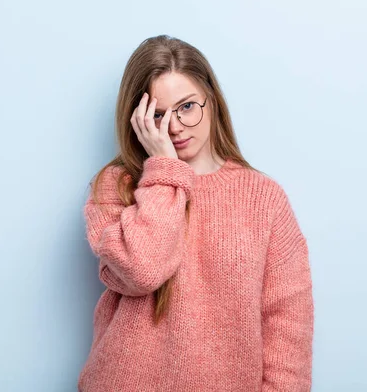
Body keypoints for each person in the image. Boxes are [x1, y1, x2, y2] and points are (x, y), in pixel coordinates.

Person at [77, 34, 313, 392]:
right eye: (158, 114)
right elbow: (142, 270)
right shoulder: (117, 187)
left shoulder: (264, 198)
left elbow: (288, 322)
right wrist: (164, 171)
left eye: (187, 106)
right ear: (137, 120)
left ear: (212, 100)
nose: (174, 127)